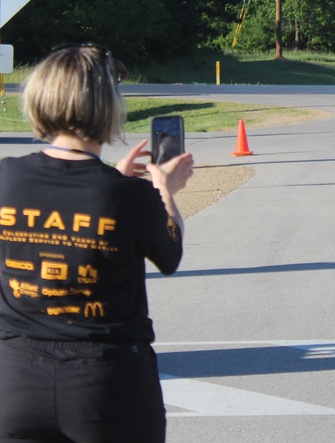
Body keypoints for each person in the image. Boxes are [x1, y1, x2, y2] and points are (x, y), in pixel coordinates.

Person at [0, 44, 194, 442]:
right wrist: (165, 191)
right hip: (106, 385)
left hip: (15, 379)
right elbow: (170, 253)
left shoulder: (6, 178)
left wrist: (113, 180)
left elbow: (67, 198)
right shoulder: (128, 196)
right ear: (109, 106)